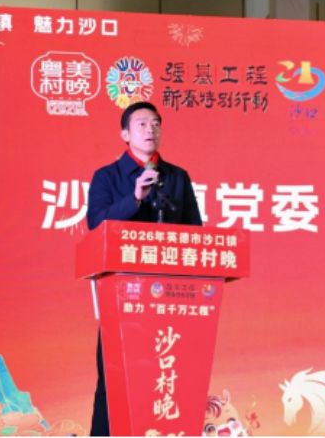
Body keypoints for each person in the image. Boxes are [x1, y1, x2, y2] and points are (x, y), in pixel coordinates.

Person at [86, 102, 203, 437]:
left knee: (167, 376)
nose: (150, 130)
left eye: (155, 123)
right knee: (115, 380)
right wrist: (135, 198)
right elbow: (96, 225)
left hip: (171, 297)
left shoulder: (177, 177)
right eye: (141, 124)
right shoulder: (107, 177)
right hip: (123, 295)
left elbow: (194, 232)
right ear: (125, 134)